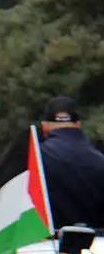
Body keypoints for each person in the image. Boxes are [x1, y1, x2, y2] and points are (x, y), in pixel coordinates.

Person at [38, 96, 104, 229]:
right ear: (78, 124)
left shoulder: (37, 158)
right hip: (97, 244)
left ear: (44, 126)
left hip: (48, 245)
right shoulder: (99, 159)